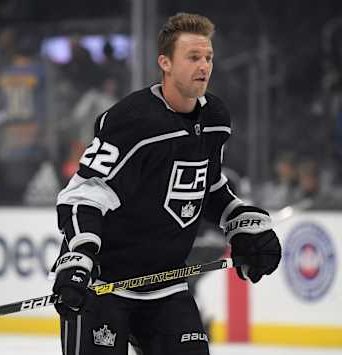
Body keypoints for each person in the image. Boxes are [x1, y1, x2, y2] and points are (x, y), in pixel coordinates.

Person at [51, 13, 282, 355]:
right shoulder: (131, 121)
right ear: (166, 63)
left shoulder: (215, 120)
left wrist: (241, 223)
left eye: (208, 58)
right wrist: (80, 254)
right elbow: (83, 194)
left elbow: (209, 187)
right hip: (105, 286)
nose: (204, 66)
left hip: (167, 285)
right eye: (192, 57)